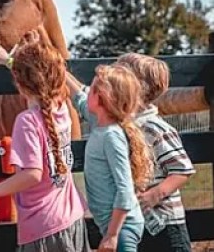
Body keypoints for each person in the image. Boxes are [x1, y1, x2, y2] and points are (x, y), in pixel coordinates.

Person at [0, 34, 91, 252]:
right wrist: (12, 61)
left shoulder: (27, 121)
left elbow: (32, 175)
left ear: (19, 85)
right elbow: (47, 81)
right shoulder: (63, 112)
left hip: (42, 230)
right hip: (72, 219)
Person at [66, 64, 153, 252]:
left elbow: (125, 190)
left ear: (102, 98)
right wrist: (55, 67)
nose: (86, 91)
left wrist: (112, 235)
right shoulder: (100, 123)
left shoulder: (111, 136)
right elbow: (78, 98)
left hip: (122, 228)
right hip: (114, 225)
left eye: (91, 89)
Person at [117, 52, 196, 252]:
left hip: (166, 224)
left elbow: (182, 169)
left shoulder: (155, 128)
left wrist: (155, 194)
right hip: (143, 222)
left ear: (138, 88)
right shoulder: (126, 125)